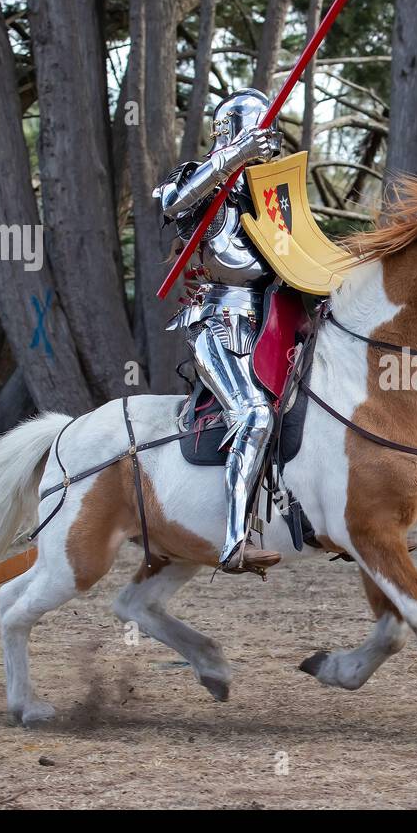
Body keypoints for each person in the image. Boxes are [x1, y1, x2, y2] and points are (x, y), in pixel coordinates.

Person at [154, 88, 283, 574]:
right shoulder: (206, 183)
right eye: (250, 131)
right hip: (221, 320)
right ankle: (233, 541)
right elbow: (171, 202)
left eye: (263, 134)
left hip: (276, 319)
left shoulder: (269, 195)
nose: (261, 142)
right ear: (230, 132)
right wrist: (233, 159)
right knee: (254, 416)